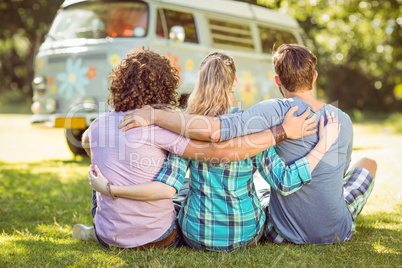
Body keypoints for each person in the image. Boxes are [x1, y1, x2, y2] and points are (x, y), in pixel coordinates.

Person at [119, 44, 377, 245]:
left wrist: (156, 115)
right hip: (282, 232)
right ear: (315, 76)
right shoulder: (340, 119)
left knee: (189, 190)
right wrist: (315, 143)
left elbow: (216, 133)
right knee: (367, 165)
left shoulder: (266, 113)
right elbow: (324, 174)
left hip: (220, 234)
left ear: (278, 80)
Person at [73, 49, 318, 248]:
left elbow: (171, 180)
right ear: (234, 82)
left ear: (201, 81)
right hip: (246, 233)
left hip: (197, 235)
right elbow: (281, 180)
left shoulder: (182, 126)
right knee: (261, 193)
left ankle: (101, 228)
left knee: (183, 191)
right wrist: (316, 145)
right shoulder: (251, 126)